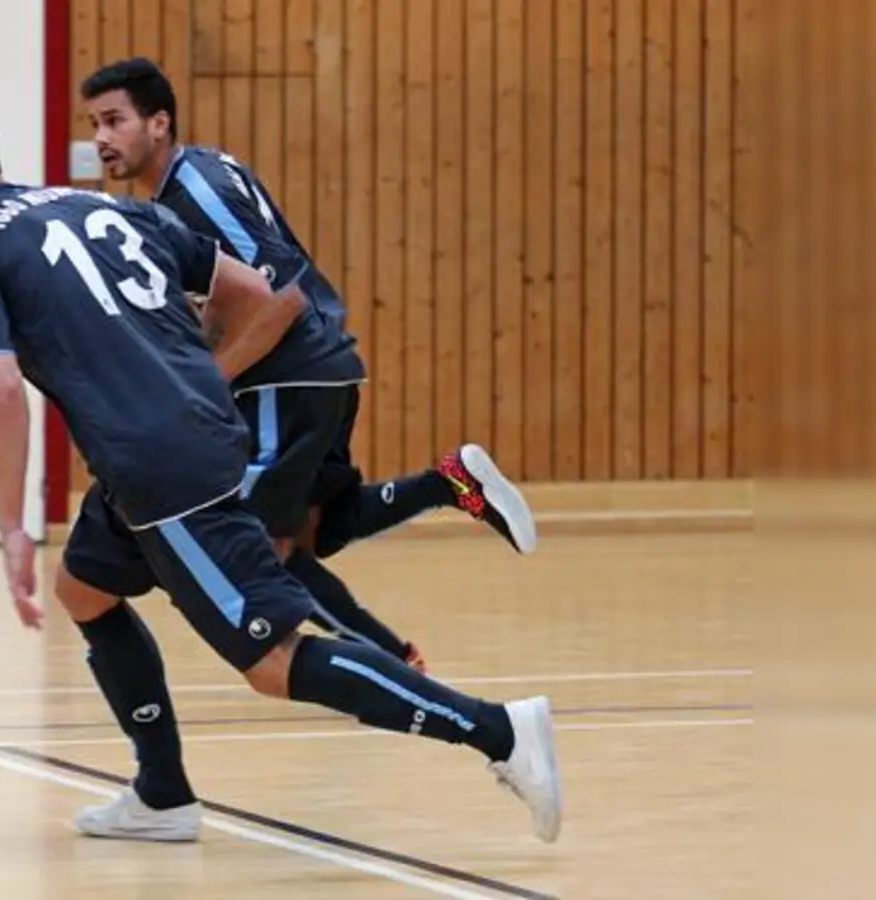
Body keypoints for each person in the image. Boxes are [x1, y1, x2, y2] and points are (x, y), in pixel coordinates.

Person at [0, 78, 563, 847]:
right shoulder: (98, 205)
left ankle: (500, 732)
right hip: (177, 442)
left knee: (272, 662)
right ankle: (162, 794)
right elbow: (253, 290)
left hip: (162, 468)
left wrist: (11, 527)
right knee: (86, 590)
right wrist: (180, 366)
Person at [79, 57, 540, 666]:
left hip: (286, 376)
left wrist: (211, 380)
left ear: (159, 122)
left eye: (115, 121)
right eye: (94, 124)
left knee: (264, 544)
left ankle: (390, 663)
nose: (101, 139)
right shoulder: (207, 170)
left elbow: (279, 294)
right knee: (321, 526)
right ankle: (449, 482)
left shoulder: (197, 194)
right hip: (323, 368)